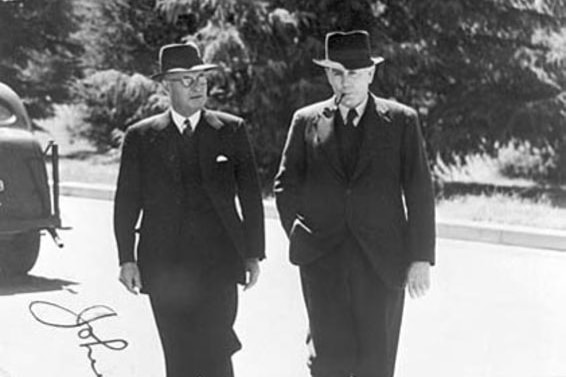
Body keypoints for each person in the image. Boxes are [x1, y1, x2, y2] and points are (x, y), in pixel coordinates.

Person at [274, 30, 436, 377]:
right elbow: (285, 186)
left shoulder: (402, 121)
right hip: (322, 263)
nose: (345, 82)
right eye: (336, 73)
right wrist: (302, 234)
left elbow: (420, 191)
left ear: (371, 74)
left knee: (376, 364)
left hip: (382, 263)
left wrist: (421, 257)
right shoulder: (306, 120)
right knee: (326, 363)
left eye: (354, 73)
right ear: (327, 75)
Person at [114, 42, 265, 377]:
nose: (197, 86)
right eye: (185, 80)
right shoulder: (141, 137)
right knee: (179, 353)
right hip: (164, 265)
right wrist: (127, 258)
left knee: (216, 348)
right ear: (166, 85)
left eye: (200, 78)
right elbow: (126, 201)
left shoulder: (231, 130)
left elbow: (251, 196)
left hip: (220, 263)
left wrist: (254, 253)